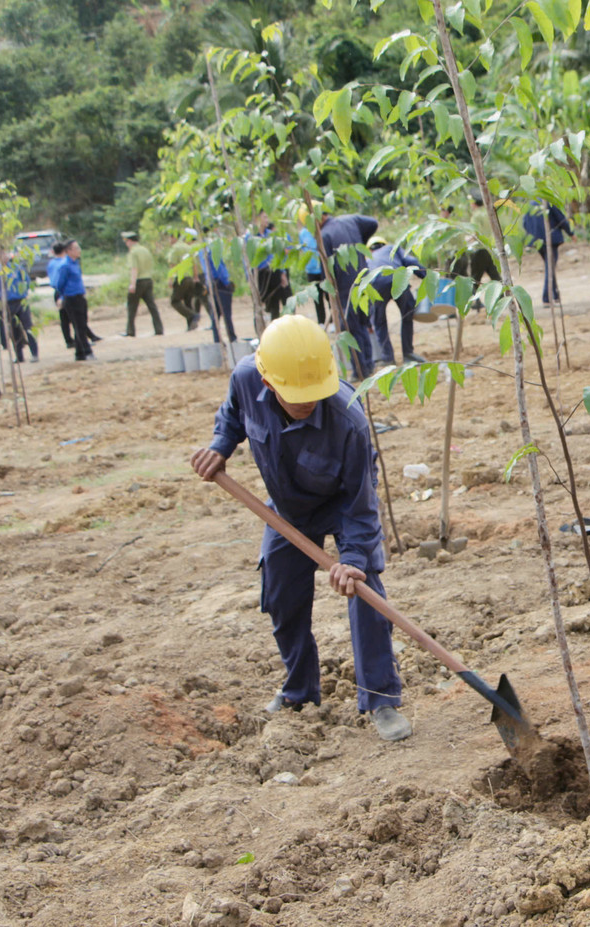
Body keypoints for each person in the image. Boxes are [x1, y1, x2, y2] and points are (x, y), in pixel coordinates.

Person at [189, 314, 411, 740]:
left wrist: (352, 559)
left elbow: (361, 505)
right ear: (269, 383)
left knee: (365, 592)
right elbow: (233, 416)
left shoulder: (350, 422)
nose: (309, 401)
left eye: (315, 392)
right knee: (280, 595)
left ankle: (381, 700)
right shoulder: (247, 379)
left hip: (344, 505)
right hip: (287, 509)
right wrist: (220, 446)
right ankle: (300, 690)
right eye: (297, 396)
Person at [319, 212, 380, 377]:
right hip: (363, 279)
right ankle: (368, 365)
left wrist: (329, 295)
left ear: (319, 218)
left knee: (351, 330)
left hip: (345, 288)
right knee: (363, 324)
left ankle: (360, 371)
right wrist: (360, 243)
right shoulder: (351, 219)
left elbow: (325, 270)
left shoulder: (324, 235)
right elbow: (373, 222)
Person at [363, 236, 428, 366]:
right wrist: (426, 276)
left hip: (375, 284)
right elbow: (411, 261)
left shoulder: (367, 259)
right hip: (397, 279)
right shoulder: (391, 248)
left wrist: (368, 321)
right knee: (407, 316)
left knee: (379, 323)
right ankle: (408, 354)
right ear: (384, 243)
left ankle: (388, 358)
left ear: (369, 249)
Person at [521, 201, 571, 306]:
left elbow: (525, 223)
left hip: (536, 242)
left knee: (550, 267)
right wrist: (571, 233)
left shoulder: (531, 204)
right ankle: (547, 298)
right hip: (550, 240)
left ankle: (556, 296)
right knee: (550, 268)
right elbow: (561, 219)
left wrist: (533, 235)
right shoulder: (549, 201)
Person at [0, 247, 38, 363]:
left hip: (20, 301)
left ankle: (34, 353)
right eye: (0, 254)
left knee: (28, 327)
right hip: (7, 304)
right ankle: (19, 355)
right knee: (13, 330)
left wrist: (24, 293)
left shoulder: (16, 268)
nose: (3, 256)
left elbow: (27, 281)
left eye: (4, 253)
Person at [56, 240, 95, 361]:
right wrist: (62, 297)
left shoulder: (76, 263)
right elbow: (59, 284)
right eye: (76, 248)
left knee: (82, 324)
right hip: (71, 298)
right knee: (79, 325)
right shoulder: (65, 266)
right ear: (69, 251)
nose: (79, 250)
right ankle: (87, 351)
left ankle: (79, 353)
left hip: (80, 297)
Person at [122, 231, 164, 337]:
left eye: (126, 241)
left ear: (130, 241)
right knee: (152, 306)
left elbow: (134, 268)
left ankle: (130, 331)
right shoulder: (145, 250)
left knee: (132, 307)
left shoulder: (133, 252)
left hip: (139, 281)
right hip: (148, 279)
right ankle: (159, 328)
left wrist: (132, 284)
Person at [251, 216, 292, 323]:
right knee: (260, 303)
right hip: (260, 273)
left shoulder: (271, 235)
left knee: (277, 302)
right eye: (264, 217)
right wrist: (249, 277)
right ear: (257, 219)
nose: (266, 220)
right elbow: (247, 258)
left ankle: (279, 328)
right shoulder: (250, 237)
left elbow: (279, 254)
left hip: (274, 271)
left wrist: (282, 272)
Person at [202, 233, 237, 344]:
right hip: (220, 283)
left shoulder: (201, 249)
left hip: (211, 283)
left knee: (215, 314)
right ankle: (232, 338)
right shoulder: (213, 247)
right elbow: (219, 267)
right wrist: (226, 282)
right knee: (226, 313)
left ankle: (217, 340)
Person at [165, 236, 203, 331]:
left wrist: (170, 279)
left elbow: (173, 265)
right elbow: (194, 264)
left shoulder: (175, 249)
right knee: (188, 301)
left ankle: (193, 315)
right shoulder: (188, 247)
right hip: (190, 278)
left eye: (169, 238)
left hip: (181, 278)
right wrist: (195, 277)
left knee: (175, 301)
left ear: (174, 238)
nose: (169, 240)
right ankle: (191, 325)